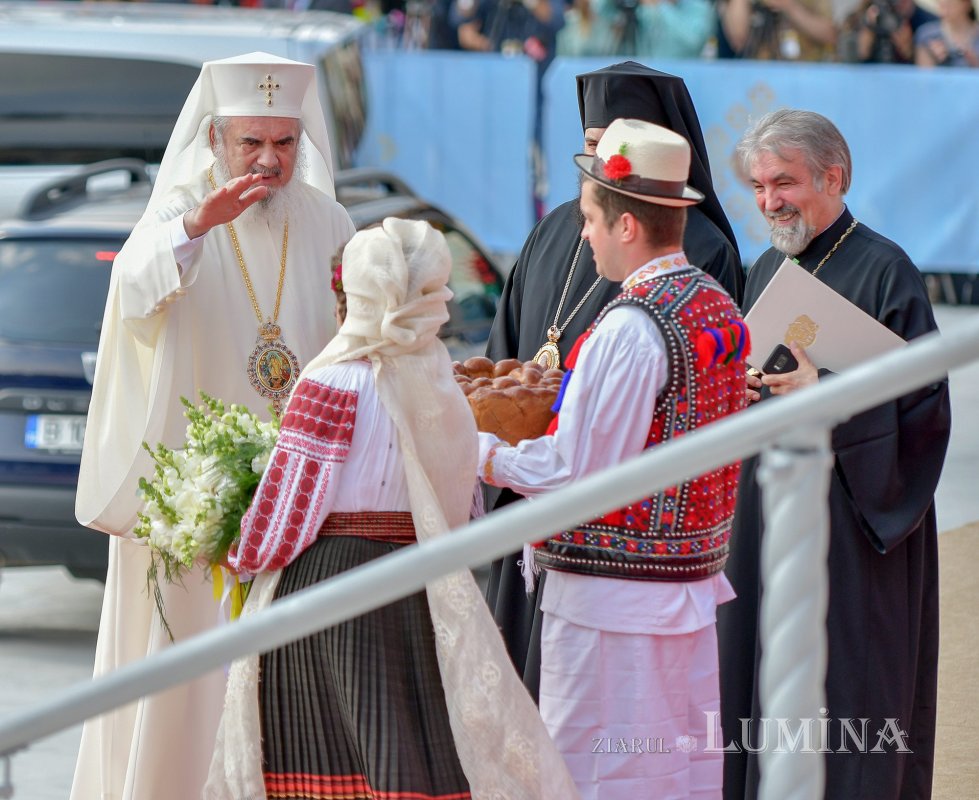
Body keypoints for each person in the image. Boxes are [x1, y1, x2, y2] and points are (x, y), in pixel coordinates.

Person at [204, 218, 577, 800]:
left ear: (359, 292)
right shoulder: (442, 385)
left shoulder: (331, 383)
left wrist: (239, 553)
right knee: (409, 750)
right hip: (418, 583)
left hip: (329, 585)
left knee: (327, 760)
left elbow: (291, 508)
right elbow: (464, 505)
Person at [71, 52, 356, 800]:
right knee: (187, 674)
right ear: (215, 140)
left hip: (296, 500)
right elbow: (133, 291)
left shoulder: (326, 219)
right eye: (250, 143)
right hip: (193, 502)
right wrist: (199, 225)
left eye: (284, 143)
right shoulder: (178, 211)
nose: (268, 160)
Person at [478, 117, 747, 799]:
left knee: (597, 775)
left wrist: (476, 451)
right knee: (673, 771)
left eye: (591, 218)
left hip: (612, 598)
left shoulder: (630, 327)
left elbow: (574, 475)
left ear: (627, 226)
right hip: (680, 584)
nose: (583, 233)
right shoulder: (711, 302)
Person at [718, 109, 951, 799]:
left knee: (850, 695)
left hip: (853, 528)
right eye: (758, 187)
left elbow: (923, 413)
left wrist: (825, 391)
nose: (767, 203)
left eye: (782, 183)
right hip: (760, 518)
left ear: (832, 176)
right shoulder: (763, 266)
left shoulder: (887, 272)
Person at [717, 0, 837, 60]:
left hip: (806, 75)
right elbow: (737, 40)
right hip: (756, 75)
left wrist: (789, 7)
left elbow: (831, 35)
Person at [914, 0, 979, 66]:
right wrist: (933, 58)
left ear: (967, 3)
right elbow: (923, 73)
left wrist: (975, 65)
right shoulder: (927, 34)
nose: (945, 2)